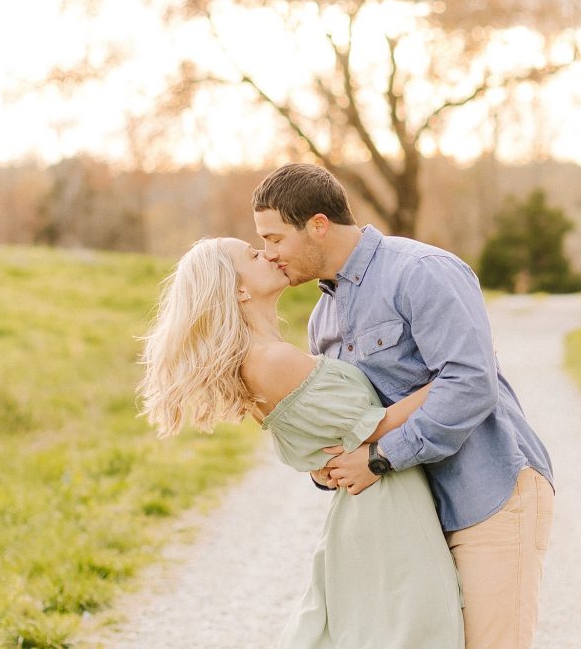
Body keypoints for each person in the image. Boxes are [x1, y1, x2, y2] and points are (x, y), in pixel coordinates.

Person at [252, 163, 555, 649]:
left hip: (488, 492)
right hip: (412, 521)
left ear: (318, 225)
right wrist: (324, 468)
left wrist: (381, 456)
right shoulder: (322, 319)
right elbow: (347, 418)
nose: (269, 255)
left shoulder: (420, 271)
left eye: (274, 239)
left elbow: (471, 381)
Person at [137, 236, 464, 648]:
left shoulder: (268, 354)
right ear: (239, 289)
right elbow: (372, 427)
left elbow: (323, 449)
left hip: (373, 503)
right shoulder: (271, 361)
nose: (269, 253)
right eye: (255, 254)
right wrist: (452, 378)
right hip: (387, 508)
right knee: (417, 630)